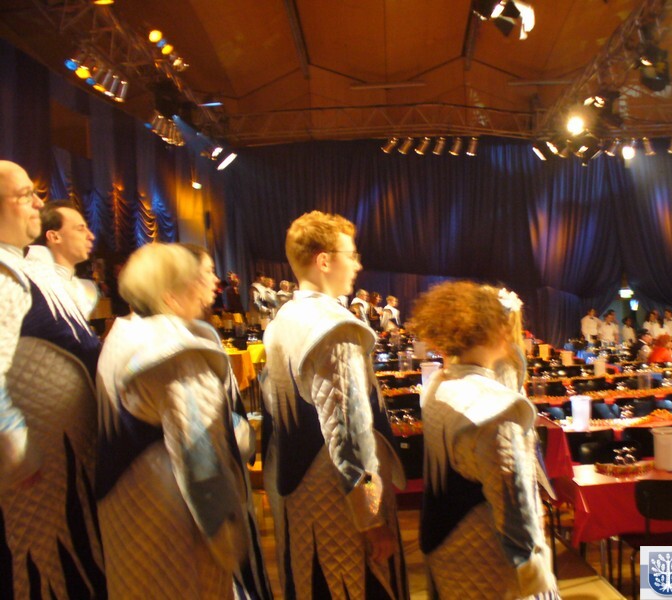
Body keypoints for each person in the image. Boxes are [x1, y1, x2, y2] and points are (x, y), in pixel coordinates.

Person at [95, 243, 271, 599]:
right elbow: (202, 458)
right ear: (171, 293)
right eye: (198, 279)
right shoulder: (174, 350)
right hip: (173, 526)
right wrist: (229, 541)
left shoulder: (123, 333)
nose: (210, 287)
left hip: (129, 513)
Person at [261, 210, 407, 599]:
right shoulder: (334, 327)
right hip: (338, 500)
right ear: (324, 260)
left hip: (302, 490)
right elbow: (350, 434)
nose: (357, 265)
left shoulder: (283, 319)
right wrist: (371, 515)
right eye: (351, 254)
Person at [410, 281, 559, 599]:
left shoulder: (438, 385)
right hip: (490, 560)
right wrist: (534, 574)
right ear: (492, 332)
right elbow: (514, 504)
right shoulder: (492, 408)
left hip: (445, 542)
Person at [0, 160, 106, 598]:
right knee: (44, 568)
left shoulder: (26, 268)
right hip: (36, 466)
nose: (37, 203)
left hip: (63, 455)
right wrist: (14, 445)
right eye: (25, 195)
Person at [31, 199, 98, 319]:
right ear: (54, 237)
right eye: (80, 229)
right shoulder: (35, 285)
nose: (91, 236)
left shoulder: (78, 288)